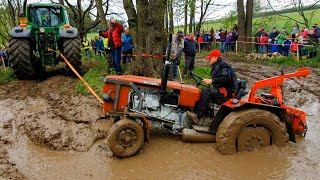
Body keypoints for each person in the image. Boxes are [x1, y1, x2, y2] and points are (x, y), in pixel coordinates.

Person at [187, 50, 238, 123]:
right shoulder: (217, 66)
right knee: (200, 91)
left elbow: (226, 78)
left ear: (215, 58)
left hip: (228, 91)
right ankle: (203, 113)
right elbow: (219, 80)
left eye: (210, 59)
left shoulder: (224, 66)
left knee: (207, 92)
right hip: (222, 89)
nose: (209, 60)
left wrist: (211, 81)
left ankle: (197, 115)